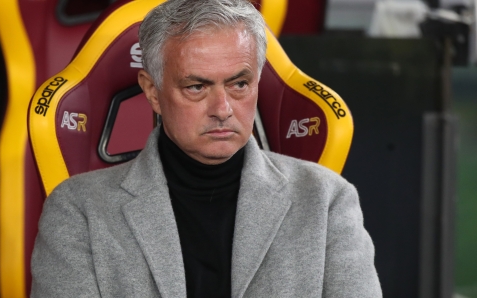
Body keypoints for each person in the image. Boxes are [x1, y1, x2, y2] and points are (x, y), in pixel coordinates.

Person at [31, 0, 382, 297]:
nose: (223, 108)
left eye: (239, 84)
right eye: (197, 87)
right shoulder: (77, 210)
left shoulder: (326, 200)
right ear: (152, 92)